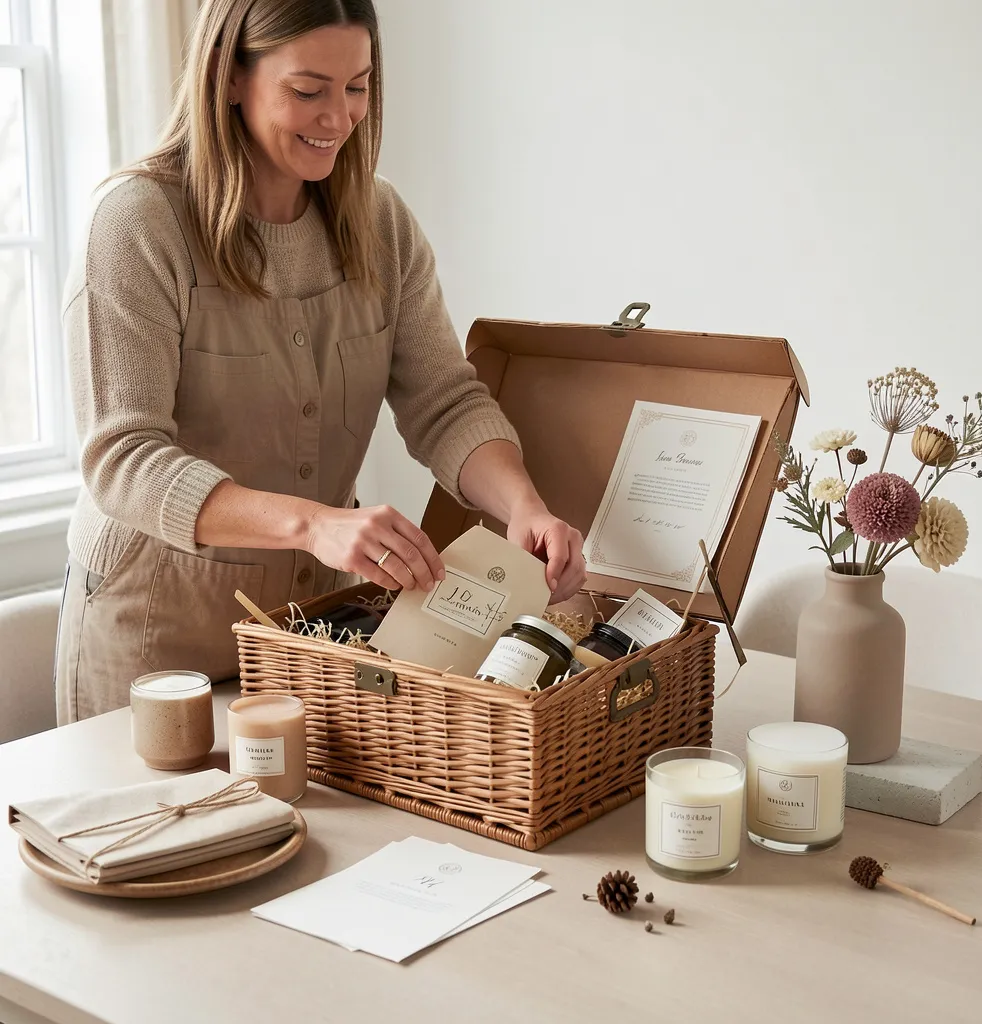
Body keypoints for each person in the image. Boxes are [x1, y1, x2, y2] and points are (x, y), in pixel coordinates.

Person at [55, 0, 586, 724]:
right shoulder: (139, 223)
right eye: (309, 90)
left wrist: (522, 506)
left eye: (358, 87)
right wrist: (315, 524)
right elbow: (124, 457)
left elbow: (445, 400)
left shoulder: (380, 222)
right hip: (154, 641)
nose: (338, 118)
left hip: (315, 632)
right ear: (231, 77)